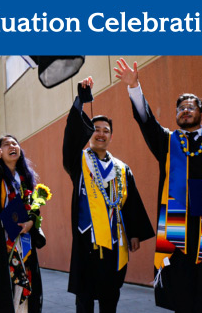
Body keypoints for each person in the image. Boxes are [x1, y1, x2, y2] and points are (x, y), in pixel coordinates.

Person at [115, 58, 202, 313]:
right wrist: (134, 88)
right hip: (177, 231)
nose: (185, 111)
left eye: (190, 107)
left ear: (201, 111)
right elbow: (147, 123)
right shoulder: (167, 142)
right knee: (183, 295)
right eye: (180, 109)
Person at [63, 77, 155, 313]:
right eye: (96, 130)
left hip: (116, 240)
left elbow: (131, 203)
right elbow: (72, 136)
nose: (101, 134)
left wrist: (135, 233)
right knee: (84, 298)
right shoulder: (79, 160)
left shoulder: (122, 168)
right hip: (87, 240)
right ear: (89, 134)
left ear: (111, 137)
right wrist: (81, 102)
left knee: (110, 296)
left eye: (106, 131)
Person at [0, 135, 46, 313]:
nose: (12, 146)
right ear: (0, 151)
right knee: (4, 291)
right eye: (6, 144)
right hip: (2, 243)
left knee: (27, 288)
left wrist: (32, 222)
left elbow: (34, 208)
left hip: (24, 243)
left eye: (14, 143)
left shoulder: (26, 178)